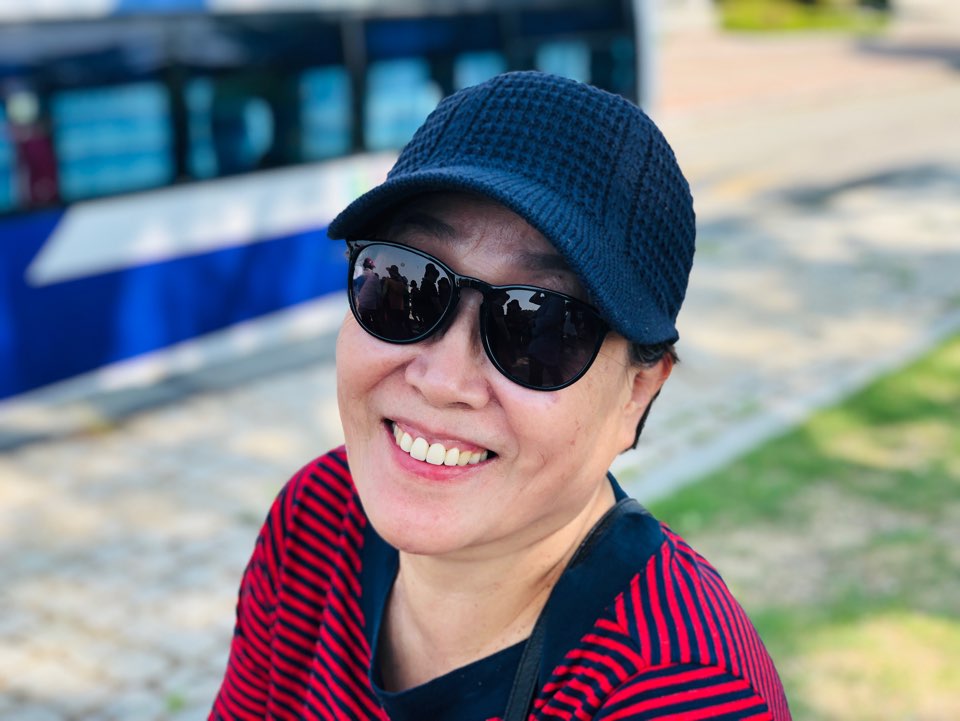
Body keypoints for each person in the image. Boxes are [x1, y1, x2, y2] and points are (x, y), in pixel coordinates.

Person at [210, 72, 791, 720]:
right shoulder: (317, 521)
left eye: (539, 325)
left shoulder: (684, 695)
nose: (443, 380)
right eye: (404, 284)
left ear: (636, 393)